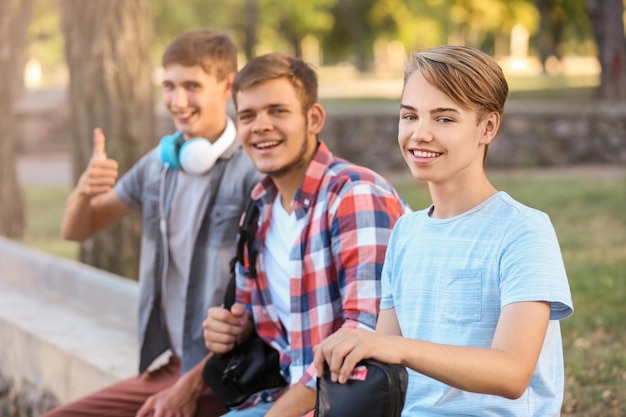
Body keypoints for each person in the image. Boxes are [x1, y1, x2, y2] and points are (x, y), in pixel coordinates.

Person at [313, 45, 574, 416]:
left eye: (444, 119)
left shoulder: (523, 230)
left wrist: (397, 348)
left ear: (487, 127)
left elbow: (512, 372)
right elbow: (386, 365)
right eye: (409, 116)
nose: (420, 134)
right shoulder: (406, 232)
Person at [51, 29, 262, 417]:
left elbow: (263, 307)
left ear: (226, 85)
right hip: (170, 364)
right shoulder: (159, 164)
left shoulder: (253, 173)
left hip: (227, 372)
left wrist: (190, 385)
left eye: (191, 86)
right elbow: (77, 229)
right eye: (168, 86)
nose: (177, 101)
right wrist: (84, 191)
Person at [202, 52, 410, 417]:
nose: (261, 125)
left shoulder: (354, 195)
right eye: (248, 115)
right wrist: (232, 327)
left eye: (277, 111)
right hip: (285, 395)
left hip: (351, 404)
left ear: (313, 119)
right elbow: (253, 312)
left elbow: (367, 337)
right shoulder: (259, 205)